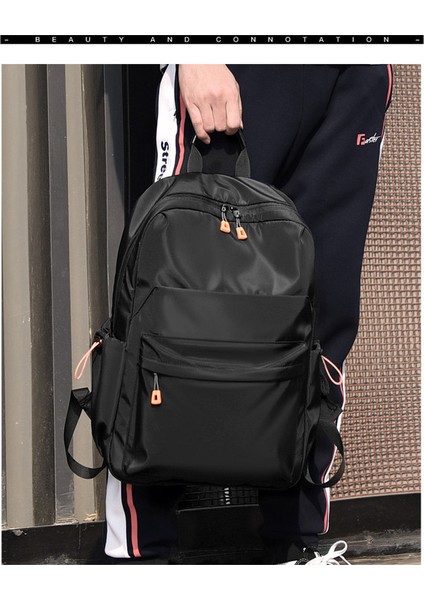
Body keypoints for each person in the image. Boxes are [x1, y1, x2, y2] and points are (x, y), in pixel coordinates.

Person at [104, 63, 393, 564]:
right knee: (173, 300)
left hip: (352, 69)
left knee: (323, 317)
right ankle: (141, 554)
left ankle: (298, 547)